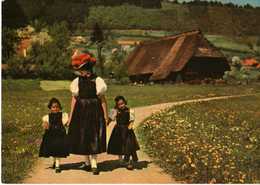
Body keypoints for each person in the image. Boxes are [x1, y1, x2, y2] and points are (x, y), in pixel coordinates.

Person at [67, 49, 108, 175]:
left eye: (82, 70)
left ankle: (94, 162)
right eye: (80, 70)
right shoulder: (76, 82)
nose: (81, 72)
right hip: (81, 110)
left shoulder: (98, 81)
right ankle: (86, 162)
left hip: (95, 110)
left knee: (94, 135)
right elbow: (74, 100)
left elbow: (102, 100)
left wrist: (106, 116)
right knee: (82, 135)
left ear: (89, 68)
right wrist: (71, 115)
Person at [107, 96, 140, 170]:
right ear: (116, 105)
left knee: (128, 145)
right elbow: (110, 119)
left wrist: (130, 127)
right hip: (118, 130)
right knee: (119, 145)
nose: (121, 105)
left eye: (122, 103)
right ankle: (120, 160)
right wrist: (106, 123)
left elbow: (131, 121)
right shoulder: (114, 111)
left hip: (127, 130)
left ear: (125, 102)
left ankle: (127, 162)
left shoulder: (130, 111)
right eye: (119, 104)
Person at [39, 98, 69, 173]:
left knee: (58, 150)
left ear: (59, 107)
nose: (55, 109)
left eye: (57, 107)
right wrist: (45, 125)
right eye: (53, 107)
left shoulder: (63, 115)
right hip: (51, 135)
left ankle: (58, 165)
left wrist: (67, 124)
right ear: (50, 108)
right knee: (53, 150)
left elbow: (66, 124)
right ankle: (55, 161)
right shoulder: (47, 117)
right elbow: (45, 125)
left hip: (60, 135)